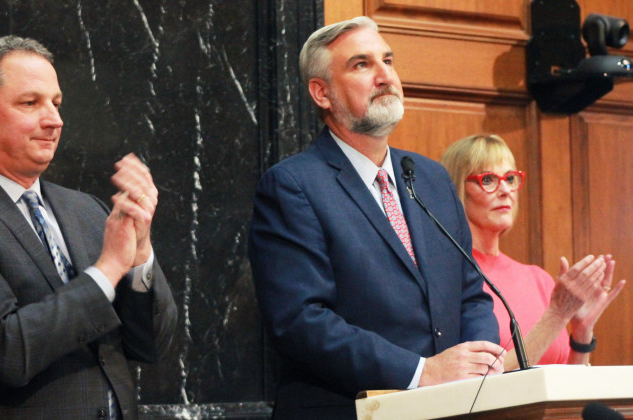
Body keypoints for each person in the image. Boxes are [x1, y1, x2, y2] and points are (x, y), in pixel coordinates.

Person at [0, 35, 177, 419]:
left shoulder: (87, 210)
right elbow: (7, 349)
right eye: (30, 103)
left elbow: (151, 345)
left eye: (57, 103)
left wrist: (139, 255)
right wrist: (109, 267)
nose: (55, 119)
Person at [248, 16, 505, 419]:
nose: (385, 75)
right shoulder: (293, 185)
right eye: (362, 64)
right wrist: (421, 372)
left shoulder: (431, 178)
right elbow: (301, 321)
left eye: (388, 60)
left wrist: (480, 361)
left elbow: (470, 296)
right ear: (322, 93)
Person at [441, 134, 625, 370]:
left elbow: (569, 385)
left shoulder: (539, 279)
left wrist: (582, 334)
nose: (505, 190)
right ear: (456, 190)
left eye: (510, 178)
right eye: (488, 179)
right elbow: (484, 377)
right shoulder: (448, 277)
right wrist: (557, 316)